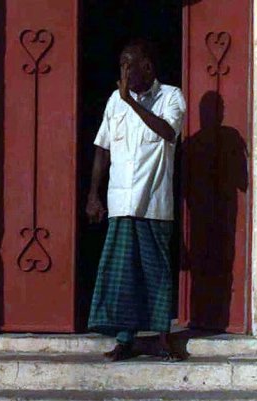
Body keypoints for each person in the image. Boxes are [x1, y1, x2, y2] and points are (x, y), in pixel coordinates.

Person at [85, 39, 186, 362]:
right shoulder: (114, 101)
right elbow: (102, 148)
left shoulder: (171, 96)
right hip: (120, 203)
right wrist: (93, 194)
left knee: (156, 274)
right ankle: (124, 340)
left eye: (130, 65)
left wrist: (131, 102)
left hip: (153, 203)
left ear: (148, 66)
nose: (124, 71)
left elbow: (168, 132)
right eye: (121, 65)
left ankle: (162, 339)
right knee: (122, 276)